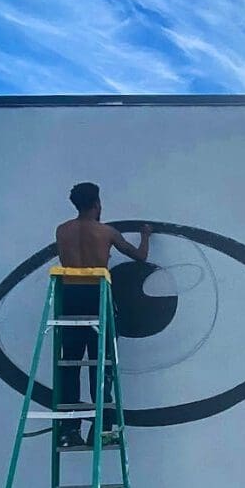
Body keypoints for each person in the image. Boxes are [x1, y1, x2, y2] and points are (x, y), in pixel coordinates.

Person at [55, 182, 151, 447]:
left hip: (70, 299)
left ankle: (68, 429)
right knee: (102, 366)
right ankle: (102, 429)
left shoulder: (62, 231)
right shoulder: (106, 232)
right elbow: (140, 256)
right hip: (97, 297)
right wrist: (145, 235)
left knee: (71, 364)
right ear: (97, 204)